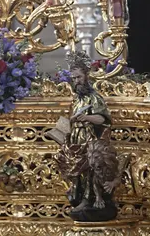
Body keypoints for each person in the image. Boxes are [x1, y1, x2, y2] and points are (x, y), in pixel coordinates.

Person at [54, 51, 119, 222]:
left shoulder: (94, 98)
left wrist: (86, 117)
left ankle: (88, 200)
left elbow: (102, 119)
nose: (76, 81)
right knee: (75, 171)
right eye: (73, 78)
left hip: (89, 140)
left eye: (79, 77)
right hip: (75, 138)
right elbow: (69, 118)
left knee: (89, 172)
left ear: (86, 75)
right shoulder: (77, 100)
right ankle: (78, 197)